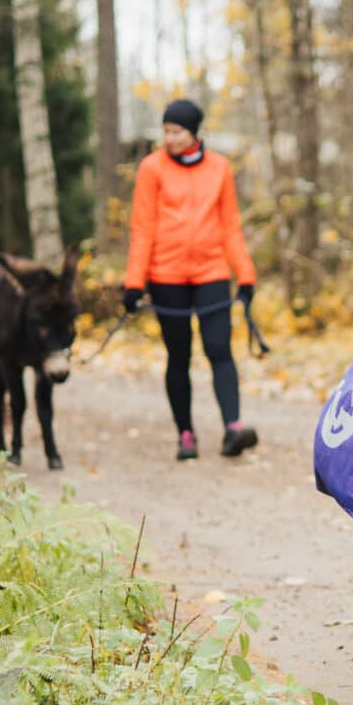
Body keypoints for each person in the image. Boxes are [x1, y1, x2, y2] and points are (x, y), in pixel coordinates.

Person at [123, 98, 259, 462]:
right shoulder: (151, 169)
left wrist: (245, 276)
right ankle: (186, 434)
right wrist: (134, 283)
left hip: (211, 273)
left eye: (176, 131)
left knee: (219, 350)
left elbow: (230, 226)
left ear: (194, 132)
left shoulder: (219, 168)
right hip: (165, 277)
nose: (168, 138)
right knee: (178, 356)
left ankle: (233, 428)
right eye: (165, 130)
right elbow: (142, 228)